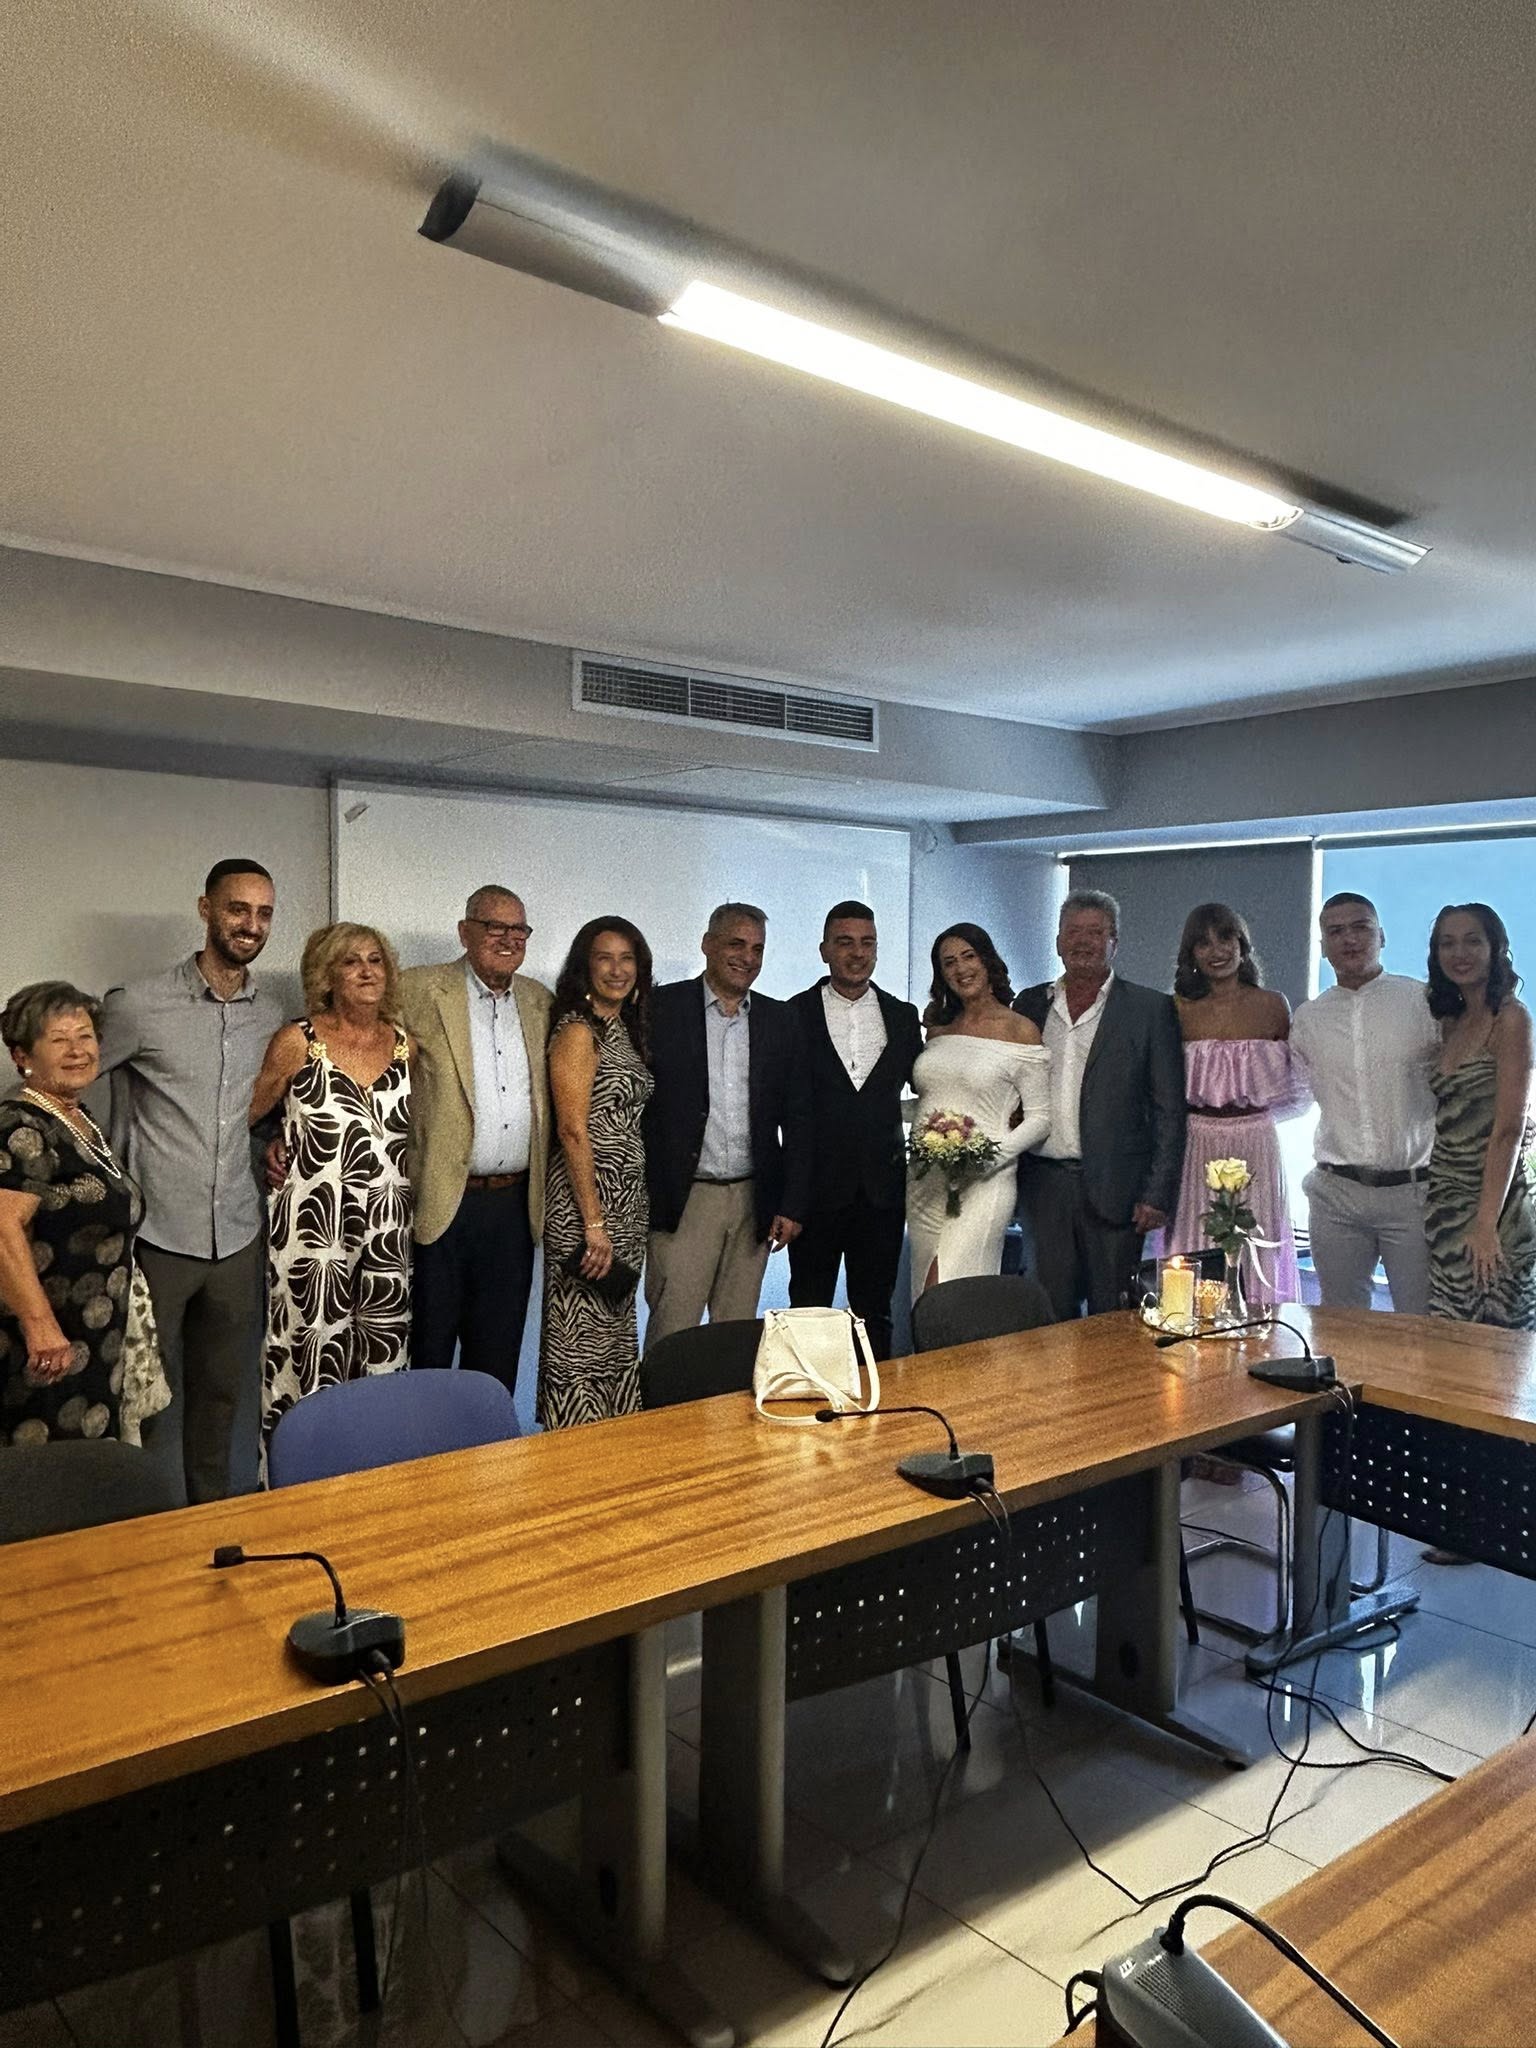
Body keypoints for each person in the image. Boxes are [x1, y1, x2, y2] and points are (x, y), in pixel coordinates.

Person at [97, 858, 283, 1500]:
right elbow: (66, 1077)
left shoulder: (273, 1015)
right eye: (238, 909)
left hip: (237, 1234)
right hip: (157, 1236)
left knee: (221, 1396)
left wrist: (272, 1141)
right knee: (139, 1397)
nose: (250, 925)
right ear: (206, 910)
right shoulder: (138, 1005)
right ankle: (138, 1524)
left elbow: (267, 1108)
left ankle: (208, 1523)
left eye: (263, 913)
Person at [250, 923, 415, 1459]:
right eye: (351, 962)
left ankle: (376, 1479)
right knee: (309, 1353)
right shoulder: (298, 1041)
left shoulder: (405, 1045)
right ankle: (301, 1478)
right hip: (312, 1229)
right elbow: (248, 1116)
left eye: (375, 960)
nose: (367, 971)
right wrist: (272, 1143)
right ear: (327, 975)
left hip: (388, 1228)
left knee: (383, 1356)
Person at [398, 886, 552, 1397]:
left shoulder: (539, 1001)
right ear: (465, 932)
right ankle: (425, 1449)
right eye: (495, 927)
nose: (509, 939)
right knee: (429, 1355)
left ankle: (489, 1450)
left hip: (514, 1208)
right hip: (442, 1200)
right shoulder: (417, 989)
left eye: (519, 930)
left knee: (496, 1360)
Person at [643, 903, 813, 1348]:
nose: (747, 958)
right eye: (736, 944)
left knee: (736, 1336)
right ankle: (668, 1399)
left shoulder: (780, 1020)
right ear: (707, 944)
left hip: (753, 1202)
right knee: (673, 1332)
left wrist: (792, 1204)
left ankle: (728, 1400)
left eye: (758, 949)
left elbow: (799, 1117)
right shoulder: (661, 1009)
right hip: (685, 1199)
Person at [1014, 890, 1186, 1320]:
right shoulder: (1030, 1004)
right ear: (1058, 941)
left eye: (1095, 932)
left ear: (1115, 942)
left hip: (1118, 1190)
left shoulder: (1149, 1009)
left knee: (1113, 1315)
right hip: (1043, 1186)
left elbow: (1168, 1110)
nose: (1083, 942)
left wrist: (1157, 1194)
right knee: (1049, 1313)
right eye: (1073, 932)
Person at [1, 983, 144, 1446]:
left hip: (93, 1338)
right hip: (44, 1347)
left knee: (87, 1466)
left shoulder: (78, 1119)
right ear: (23, 1055)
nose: (77, 1050)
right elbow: (2, 1228)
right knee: (45, 1470)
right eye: (58, 1040)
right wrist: (39, 1326)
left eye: (85, 1036)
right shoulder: (20, 1126)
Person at [1289, 892, 1439, 1314]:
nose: (1349, 939)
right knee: (1340, 1323)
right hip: (1335, 1195)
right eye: (1336, 931)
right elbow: (1295, 1094)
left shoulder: (1424, 1003)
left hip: (1412, 1194)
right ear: (1322, 946)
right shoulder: (1308, 1019)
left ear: (1382, 936)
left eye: (1361, 927)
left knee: (1419, 1322)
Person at [788, 901, 924, 1357]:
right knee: (808, 1311)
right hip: (814, 1194)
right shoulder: (793, 1014)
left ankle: (880, 1396)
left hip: (882, 1194)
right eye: (845, 942)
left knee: (875, 1313)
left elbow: (932, 1088)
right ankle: (809, 1395)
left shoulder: (903, 1016)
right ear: (824, 950)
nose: (857, 953)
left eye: (867, 943)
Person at [1153, 903, 1306, 1306]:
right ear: (1191, 953)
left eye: (1225, 938)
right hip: (1196, 1141)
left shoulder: (1273, 1006)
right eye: (1203, 943)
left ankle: (1260, 1321)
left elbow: (1295, 1084)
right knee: (1194, 1240)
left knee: (1256, 1237)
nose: (1216, 950)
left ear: (1242, 944)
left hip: (1256, 1140)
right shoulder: (1176, 1010)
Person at [538, 918, 656, 1427]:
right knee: (579, 1336)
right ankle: (575, 1447)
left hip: (624, 1208)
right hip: (586, 1208)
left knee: (612, 1333)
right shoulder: (578, 1031)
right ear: (584, 966)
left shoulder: (622, 1028)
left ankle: (615, 1442)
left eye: (627, 958)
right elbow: (571, 1130)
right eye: (604, 958)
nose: (617, 969)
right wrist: (593, 1223)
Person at [908, 924, 1050, 1299]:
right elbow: (932, 1097)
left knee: (951, 1289)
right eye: (949, 962)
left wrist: (987, 1158)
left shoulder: (1021, 1030)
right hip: (926, 1181)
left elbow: (1040, 1118)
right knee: (922, 1293)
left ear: (987, 961)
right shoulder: (938, 1031)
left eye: (968, 956)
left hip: (985, 1181)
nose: (960, 969)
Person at [1424, 903, 1536, 1329]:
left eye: (1473, 941)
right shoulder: (1452, 1022)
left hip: (1495, 1208)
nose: (1460, 953)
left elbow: (1509, 1129)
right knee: (1449, 1339)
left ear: (1496, 948)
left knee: (1498, 1343)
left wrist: (1486, 1224)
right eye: (1447, 943)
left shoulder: (1511, 1018)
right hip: (1445, 1207)